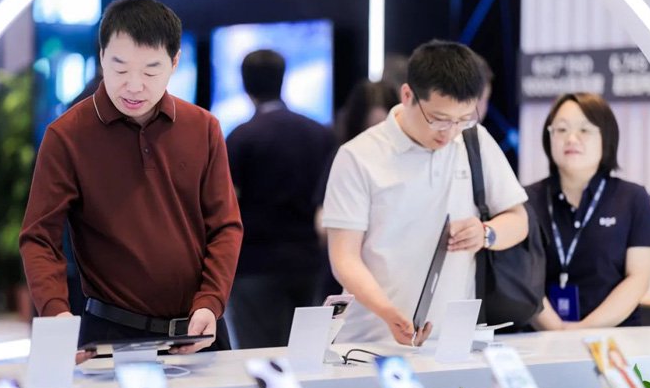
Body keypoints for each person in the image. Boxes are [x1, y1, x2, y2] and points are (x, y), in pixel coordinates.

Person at [19, 0, 243, 356]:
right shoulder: (67, 136)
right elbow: (39, 238)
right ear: (102, 57)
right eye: (120, 69)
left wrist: (210, 302)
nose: (134, 86)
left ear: (174, 62)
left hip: (199, 330)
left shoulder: (203, 127)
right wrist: (56, 312)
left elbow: (225, 226)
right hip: (112, 333)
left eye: (151, 71)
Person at [322, 40, 528, 346]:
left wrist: (486, 233)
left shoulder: (474, 140)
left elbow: (519, 220)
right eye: (439, 119)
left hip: (454, 340)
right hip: (370, 339)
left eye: (463, 118)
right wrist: (388, 312)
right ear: (407, 95)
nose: (450, 131)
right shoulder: (358, 156)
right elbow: (344, 257)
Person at [225, 49, 335, 348]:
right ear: (282, 79)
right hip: (309, 262)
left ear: (245, 84)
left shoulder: (241, 137)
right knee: (306, 354)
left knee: (260, 358)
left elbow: (227, 203)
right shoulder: (320, 133)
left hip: (255, 265)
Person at [527, 93, 650, 329]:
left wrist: (582, 330)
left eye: (584, 130)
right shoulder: (526, 201)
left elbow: (638, 278)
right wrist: (557, 331)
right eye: (561, 129)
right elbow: (522, 277)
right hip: (541, 338)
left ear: (606, 137)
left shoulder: (633, 198)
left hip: (615, 338)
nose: (571, 138)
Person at [314, 79, 399, 301]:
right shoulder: (347, 156)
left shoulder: (409, 160)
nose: (376, 139)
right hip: (346, 278)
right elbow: (322, 220)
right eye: (370, 129)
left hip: (394, 277)